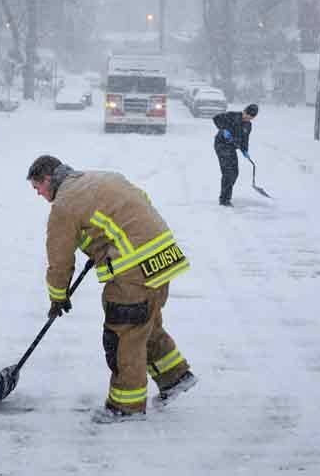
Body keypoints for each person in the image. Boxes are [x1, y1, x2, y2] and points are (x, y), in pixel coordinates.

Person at [27, 155, 196, 423]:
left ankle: (125, 407)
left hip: (133, 268)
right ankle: (175, 377)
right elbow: (137, 206)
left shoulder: (64, 205)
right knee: (145, 323)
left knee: (123, 335)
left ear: (48, 179)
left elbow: (59, 259)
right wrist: (103, 244)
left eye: (37, 188)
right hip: (164, 257)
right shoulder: (103, 177)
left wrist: (58, 296)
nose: (38, 194)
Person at [212, 103, 259, 206]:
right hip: (221, 145)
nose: (248, 118)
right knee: (228, 172)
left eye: (251, 118)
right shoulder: (232, 116)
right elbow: (216, 118)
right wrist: (223, 130)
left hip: (232, 148)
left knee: (235, 173)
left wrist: (245, 150)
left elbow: (245, 139)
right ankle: (224, 200)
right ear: (244, 111)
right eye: (247, 116)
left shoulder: (248, 125)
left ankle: (225, 194)